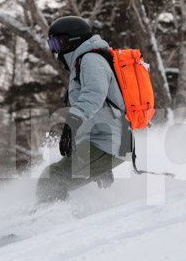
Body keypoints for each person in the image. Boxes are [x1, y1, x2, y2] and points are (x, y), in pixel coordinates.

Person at [36, 16, 132, 203]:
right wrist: (101, 166)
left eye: (58, 43)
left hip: (108, 142)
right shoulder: (85, 61)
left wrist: (71, 124)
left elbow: (94, 95)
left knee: (53, 177)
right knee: (53, 176)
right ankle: (52, 213)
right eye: (52, 44)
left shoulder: (90, 60)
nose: (56, 51)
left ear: (73, 40)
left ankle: (49, 218)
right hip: (103, 141)